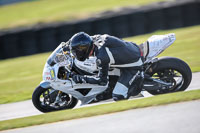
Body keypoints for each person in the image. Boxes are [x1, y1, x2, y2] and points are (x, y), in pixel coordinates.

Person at [69, 32, 144, 101]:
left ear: (85, 49)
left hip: (133, 65)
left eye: (78, 51)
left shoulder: (102, 56)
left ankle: (137, 83)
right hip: (131, 48)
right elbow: (84, 39)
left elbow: (102, 81)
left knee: (118, 96)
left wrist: (80, 78)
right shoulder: (93, 40)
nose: (76, 53)